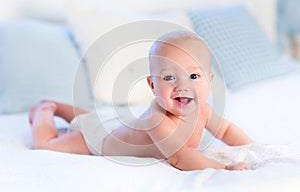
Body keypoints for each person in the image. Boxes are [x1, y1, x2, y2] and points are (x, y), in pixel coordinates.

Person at [29, 30, 254, 171]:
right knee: (48, 144)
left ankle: (59, 106)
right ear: (152, 85)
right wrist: (226, 168)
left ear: (209, 79)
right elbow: (181, 158)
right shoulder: (159, 119)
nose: (183, 86)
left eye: (194, 76)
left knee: (90, 118)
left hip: (114, 125)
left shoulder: (203, 110)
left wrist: (254, 148)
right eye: (169, 77)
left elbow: (225, 130)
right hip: (99, 141)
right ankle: (45, 110)